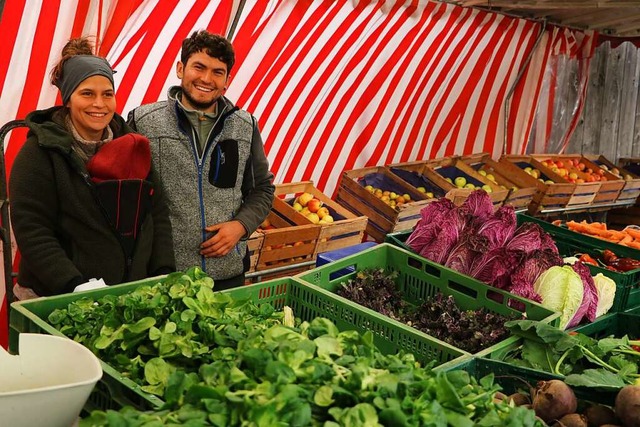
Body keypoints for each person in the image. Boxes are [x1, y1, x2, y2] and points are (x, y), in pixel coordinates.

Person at [9, 37, 175, 299]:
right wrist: (73, 285)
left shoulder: (134, 146)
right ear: (68, 99)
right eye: (87, 94)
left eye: (107, 94)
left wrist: (163, 269)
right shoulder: (39, 154)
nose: (99, 104)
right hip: (56, 298)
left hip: (128, 296)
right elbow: (33, 230)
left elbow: (157, 213)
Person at [128, 30, 275, 290]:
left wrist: (240, 226)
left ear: (227, 80)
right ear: (180, 68)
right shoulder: (143, 122)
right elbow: (130, 195)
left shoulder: (244, 126)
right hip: (165, 274)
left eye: (218, 72)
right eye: (199, 67)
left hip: (227, 272)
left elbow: (261, 189)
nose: (207, 79)